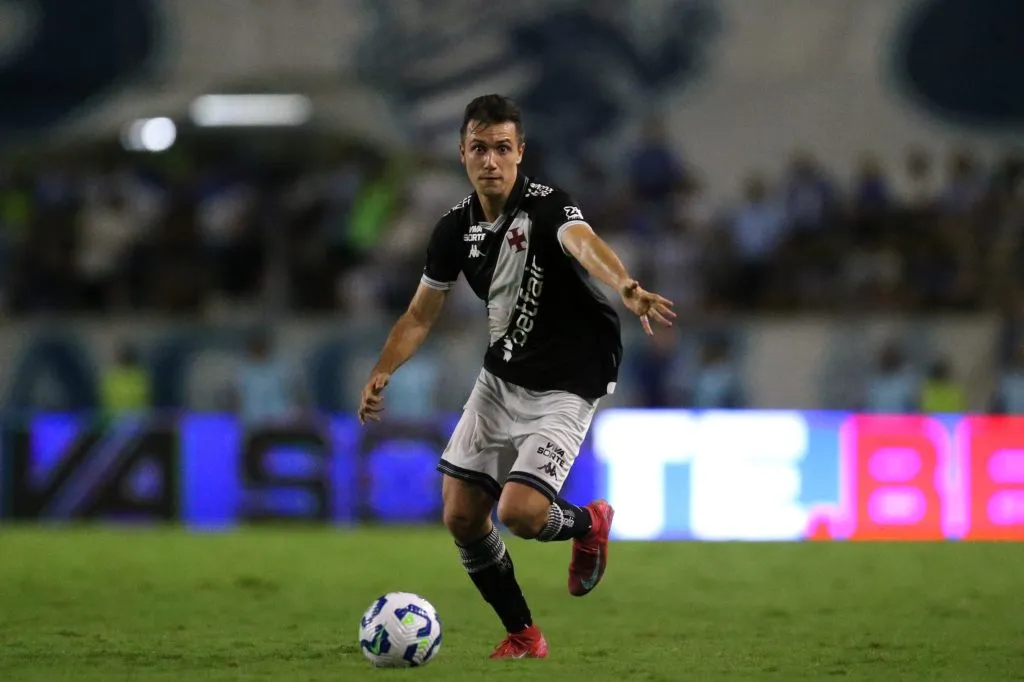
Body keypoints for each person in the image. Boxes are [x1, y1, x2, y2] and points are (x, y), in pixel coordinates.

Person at [357, 95, 675, 660]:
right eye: (479, 148)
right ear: (462, 153)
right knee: (461, 515)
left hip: (571, 377)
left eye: (502, 148)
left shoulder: (547, 206)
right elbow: (419, 315)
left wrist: (625, 284)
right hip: (504, 375)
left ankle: (588, 523)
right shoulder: (453, 230)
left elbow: (585, 244)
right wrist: (383, 369)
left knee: (520, 514)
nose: (491, 161)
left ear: (520, 152)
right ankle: (524, 635)